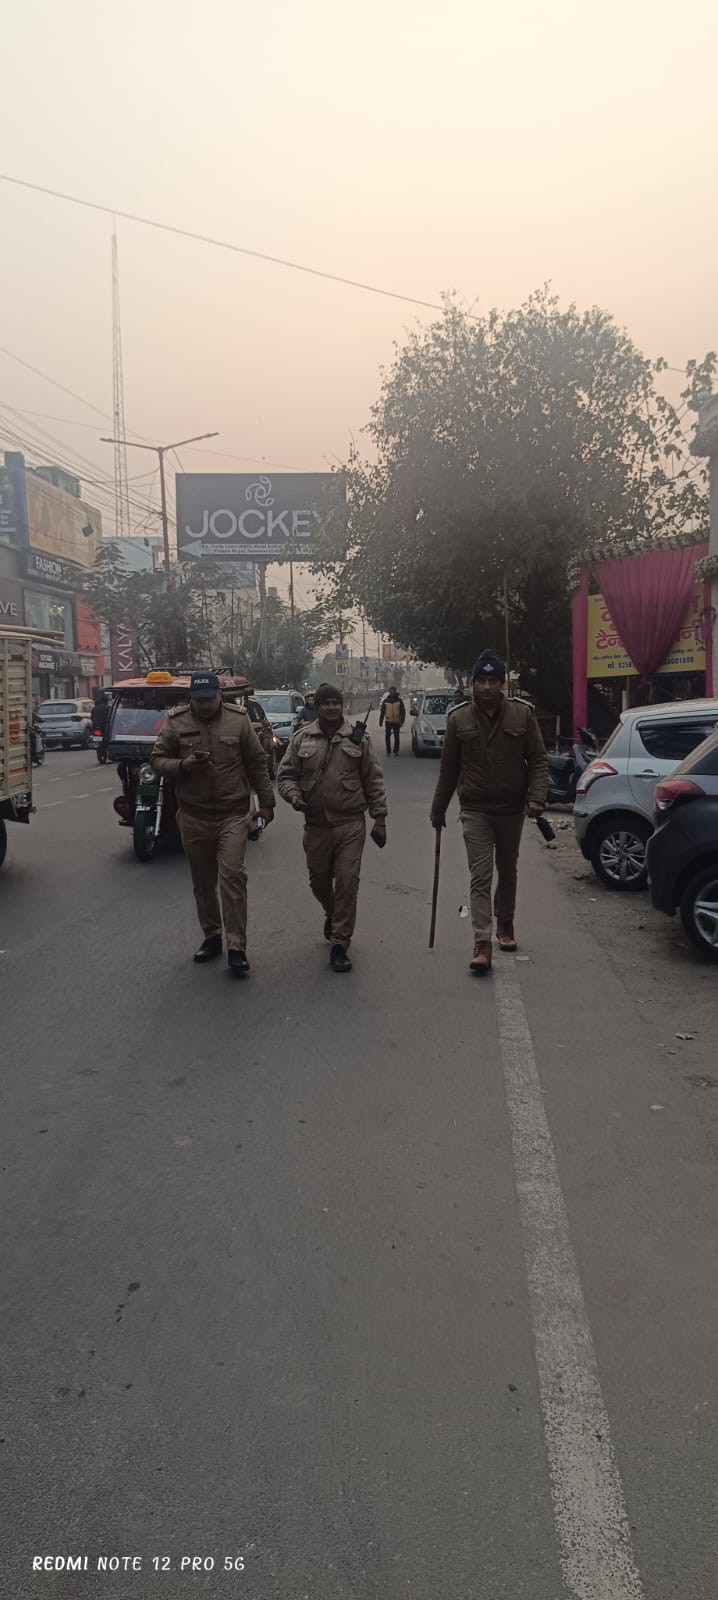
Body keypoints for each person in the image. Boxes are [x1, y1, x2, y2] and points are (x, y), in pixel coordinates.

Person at [430, 650, 548, 975]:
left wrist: (537, 797)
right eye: (480, 680)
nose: (486, 687)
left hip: (511, 808)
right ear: (473, 683)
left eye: (492, 680)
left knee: (507, 870)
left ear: (501, 683)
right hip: (475, 809)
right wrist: (438, 809)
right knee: (480, 875)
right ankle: (482, 941)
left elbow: (538, 759)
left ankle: (505, 921)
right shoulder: (458, 719)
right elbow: (449, 770)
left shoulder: (522, 715)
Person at [151, 671, 274, 975]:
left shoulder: (238, 719)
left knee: (232, 876)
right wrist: (183, 765)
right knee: (203, 882)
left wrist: (267, 802)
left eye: (209, 699)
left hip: (233, 814)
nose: (204, 705)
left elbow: (257, 762)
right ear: (191, 698)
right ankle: (212, 935)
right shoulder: (176, 722)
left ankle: (237, 947)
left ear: (219, 695)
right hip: (194, 814)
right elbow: (157, 760)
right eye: (199, 700)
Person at [277, 682, 387, 973]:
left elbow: (373, 780)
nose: (331, 707)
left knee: (348, 882)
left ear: (342, 705)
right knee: (319, 881)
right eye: (326, 703)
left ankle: (340, 942)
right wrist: (294, 795)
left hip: (350, 824)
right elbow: (285, 775)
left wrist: (380, 818)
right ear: (317, 707)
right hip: (316, 826)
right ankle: (332, 911)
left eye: (336, 703)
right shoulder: (301, 739)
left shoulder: (358, 739)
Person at [379, 686, 406, 755]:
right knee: (387, 736)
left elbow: (403, 711)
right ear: (389, 692)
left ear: (395, 692)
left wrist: (402, 720)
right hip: (388, 721)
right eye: (390, 691)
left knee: (396, 736)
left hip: (397, 721)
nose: (392, 693)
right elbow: (382, 712)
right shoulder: (386, 701)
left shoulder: (399, 701)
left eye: (393, 691)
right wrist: (380, 721)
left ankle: (396, 751)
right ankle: (388, 751)